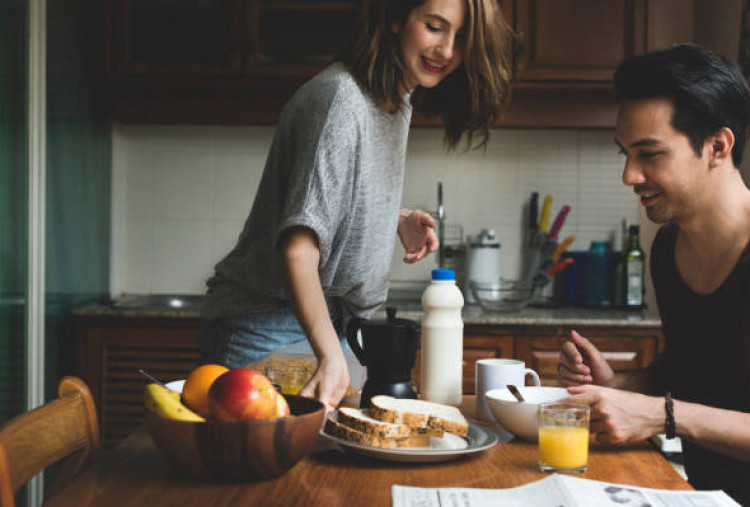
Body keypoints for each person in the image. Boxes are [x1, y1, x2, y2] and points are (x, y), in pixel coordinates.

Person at [198, 0, 511, 410]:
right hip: (271, 327)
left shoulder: (396, 102)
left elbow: (325, 200)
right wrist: (330, 355)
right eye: (435, 27)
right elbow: (299, 251)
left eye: (462, 37)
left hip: (327, 326)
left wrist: (390, 218)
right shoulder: (340, 101)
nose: (448, 51)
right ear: (396, 18)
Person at [557, 44, 750, 504]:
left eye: (649, 153)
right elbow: (695, 368)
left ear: (717, 146)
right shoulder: (667, 246)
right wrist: (621, 385)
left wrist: (661, 415)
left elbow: (677, 408)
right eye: (625, 153)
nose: (629, 175)